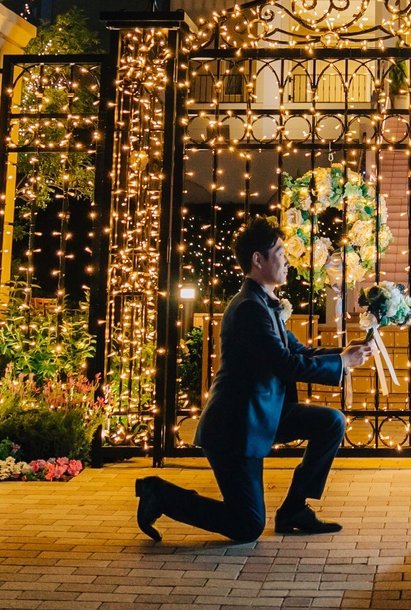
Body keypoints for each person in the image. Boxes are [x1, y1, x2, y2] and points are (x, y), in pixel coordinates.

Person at [135, 218, 374, 541]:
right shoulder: (249, 308)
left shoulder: (264, 304)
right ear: (258, 260)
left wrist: (343, 353)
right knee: (247, 525)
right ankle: (159, 494)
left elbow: (298, 351)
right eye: (280, 253)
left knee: (331, 422)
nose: (287, 261)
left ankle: (294, 509)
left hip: (264, 415)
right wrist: (342, 363)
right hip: (235, 428)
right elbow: (285, 364)